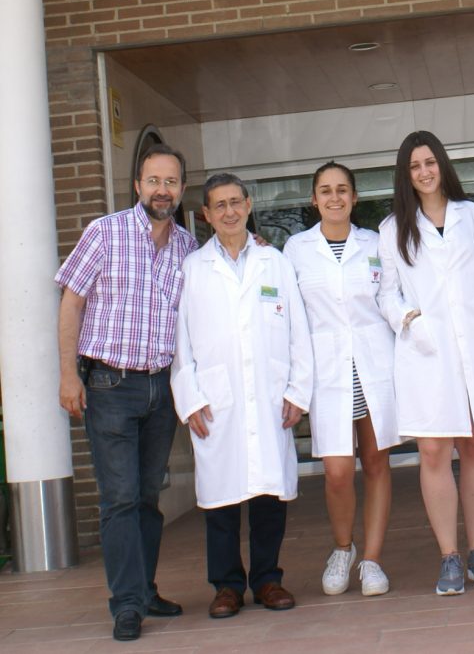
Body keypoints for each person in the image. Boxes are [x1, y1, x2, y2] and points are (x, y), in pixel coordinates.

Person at [55, 144, 196, 643]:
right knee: (118, 499)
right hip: (110, 384)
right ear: (138, 185)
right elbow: (72, 300)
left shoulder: (186, 246)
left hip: (161, 387)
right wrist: (68, 374)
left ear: (181, 189)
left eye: (172, 182)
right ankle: (127, 604)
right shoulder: (105, 231)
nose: (163, 190)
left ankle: (145, 587)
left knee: (147, 498)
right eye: (154, 180)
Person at [170, 173, 313, 621]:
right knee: (220, 499)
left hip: (270, 395)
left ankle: (268, 579)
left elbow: (299, 333)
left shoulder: (276, 263)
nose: (229, 212)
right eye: (219, 205)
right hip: (216, 400)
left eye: (236, 202)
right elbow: (181, 343)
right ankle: (227, 587)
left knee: (269, 494)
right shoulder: (193, 269)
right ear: (206, 215)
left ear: (248, 206)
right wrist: (190, 398)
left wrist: (297, 390)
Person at [378, 130, 474, 596]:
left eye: (430, 163)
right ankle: (449, 555)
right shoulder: (394, 228)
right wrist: (408, 318)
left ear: (442, 165)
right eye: (415, 166)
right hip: (426, 351)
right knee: (433, 451)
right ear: (405, 175)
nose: (425, 172)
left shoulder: (472, 216)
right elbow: (386, 292)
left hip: (473, 345)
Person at [283, 162, 399, 596]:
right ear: (314, 199)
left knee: (376, 463)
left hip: (373, 366)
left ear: (354, 197)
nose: (335, 198)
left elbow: (390, 296)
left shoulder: (375, 243)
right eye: (326, 191)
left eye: (343, 190)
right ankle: (342, 547)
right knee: (336, 471)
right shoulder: (295, 250)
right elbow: (290, 318)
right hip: (326, 370)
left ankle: (371, 560)